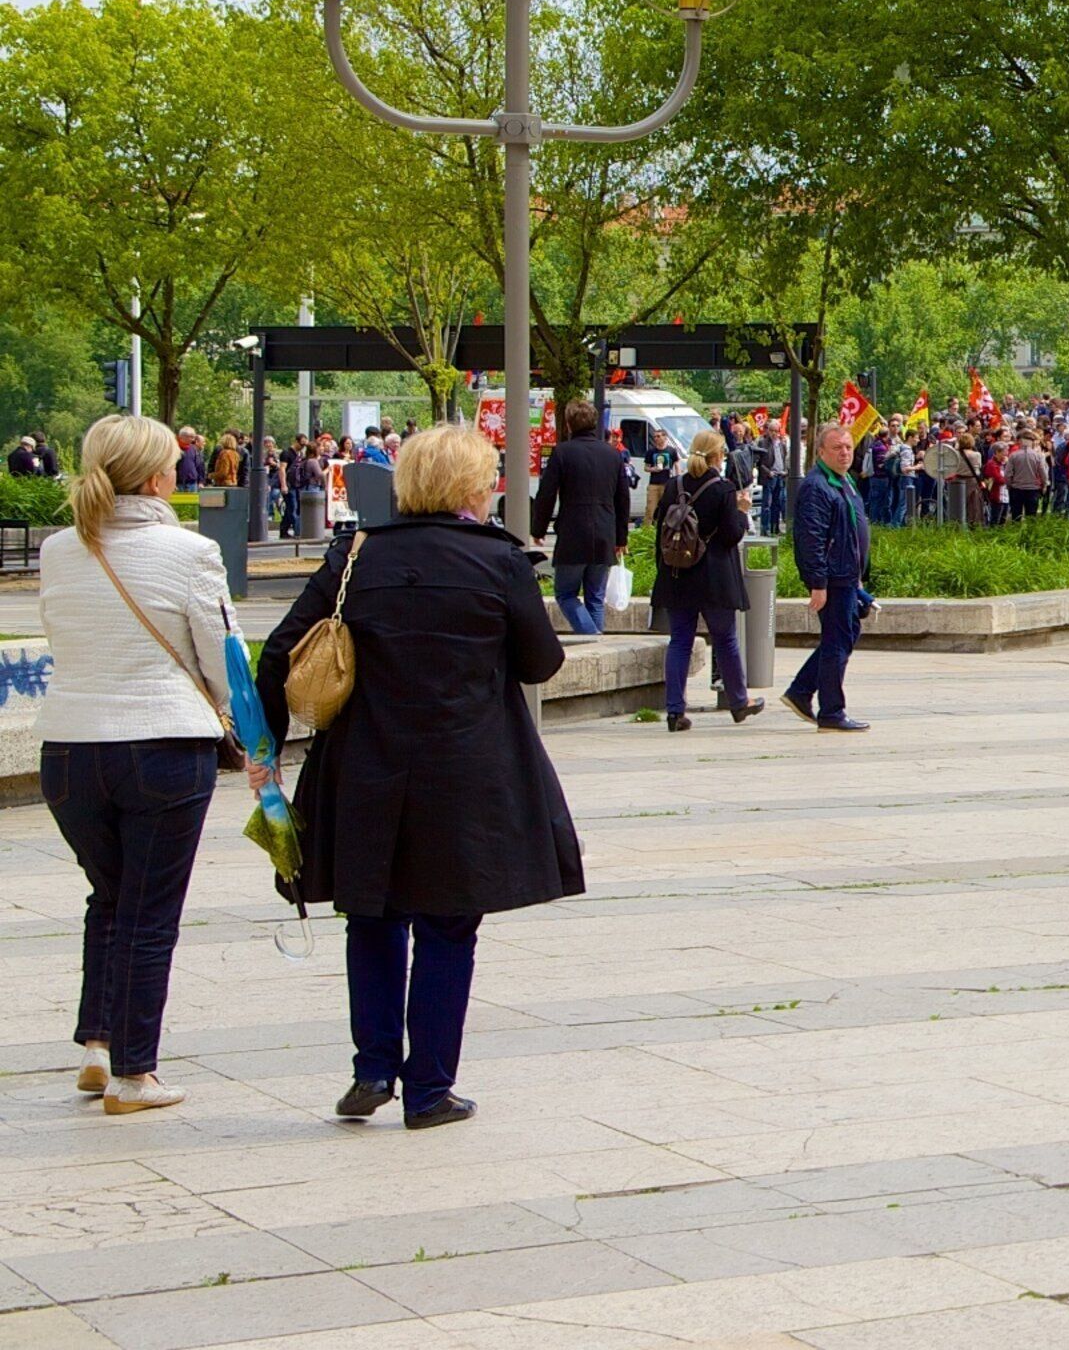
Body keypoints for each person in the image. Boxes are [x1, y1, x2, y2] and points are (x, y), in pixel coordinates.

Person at [259, 423, 584, 1128]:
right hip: (465, 770)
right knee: (447, 923)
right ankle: (430, 1089)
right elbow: (541, 663)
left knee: (371, 914)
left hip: (363, 766)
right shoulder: (498, 562)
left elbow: (281, 652)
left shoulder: (356, 553)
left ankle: (372, 1068)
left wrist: (267, 752)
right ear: (473, 486)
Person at [34, 414, 234, 1114]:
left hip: (68, 750)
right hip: (162, 747)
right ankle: (134, 1073)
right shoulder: (191, 551)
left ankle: (97, 1045)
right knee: (150, 913)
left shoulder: (60, 549)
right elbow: (222, 656)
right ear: (155, 477)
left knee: (110, 897)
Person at [649, 429, 763, 730]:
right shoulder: (723, 489)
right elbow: (730, 535)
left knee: (680, 641)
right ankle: (739, 702)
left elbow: (660, 529)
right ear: (717, 456)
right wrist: (741, 511)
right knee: (725, 639)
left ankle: (675, 711)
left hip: (678, 574)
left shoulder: (674, 485)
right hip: (714, 577)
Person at [787, 422, 873, 732]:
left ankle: (800, 691)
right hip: (833, 578)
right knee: (837, 642)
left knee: (846, 634)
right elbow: (811, 538)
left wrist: (859, 576)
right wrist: (817, 583)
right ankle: (832, 711)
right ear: (821, 451)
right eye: (837, 448)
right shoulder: (817, 486)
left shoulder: (843, 481)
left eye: (848, 447)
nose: (845, 453)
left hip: (847, 576)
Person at [527, 406, 629, 641]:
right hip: (605, 533)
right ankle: (597, 642)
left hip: (573, 533)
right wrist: (621, 537)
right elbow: (622, 499)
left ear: (569, 425)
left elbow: (547, 494)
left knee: (565, 594)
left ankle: (593, 637)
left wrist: (538, 529)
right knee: (595, 597)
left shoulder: (563, 453)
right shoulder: (612, 454)